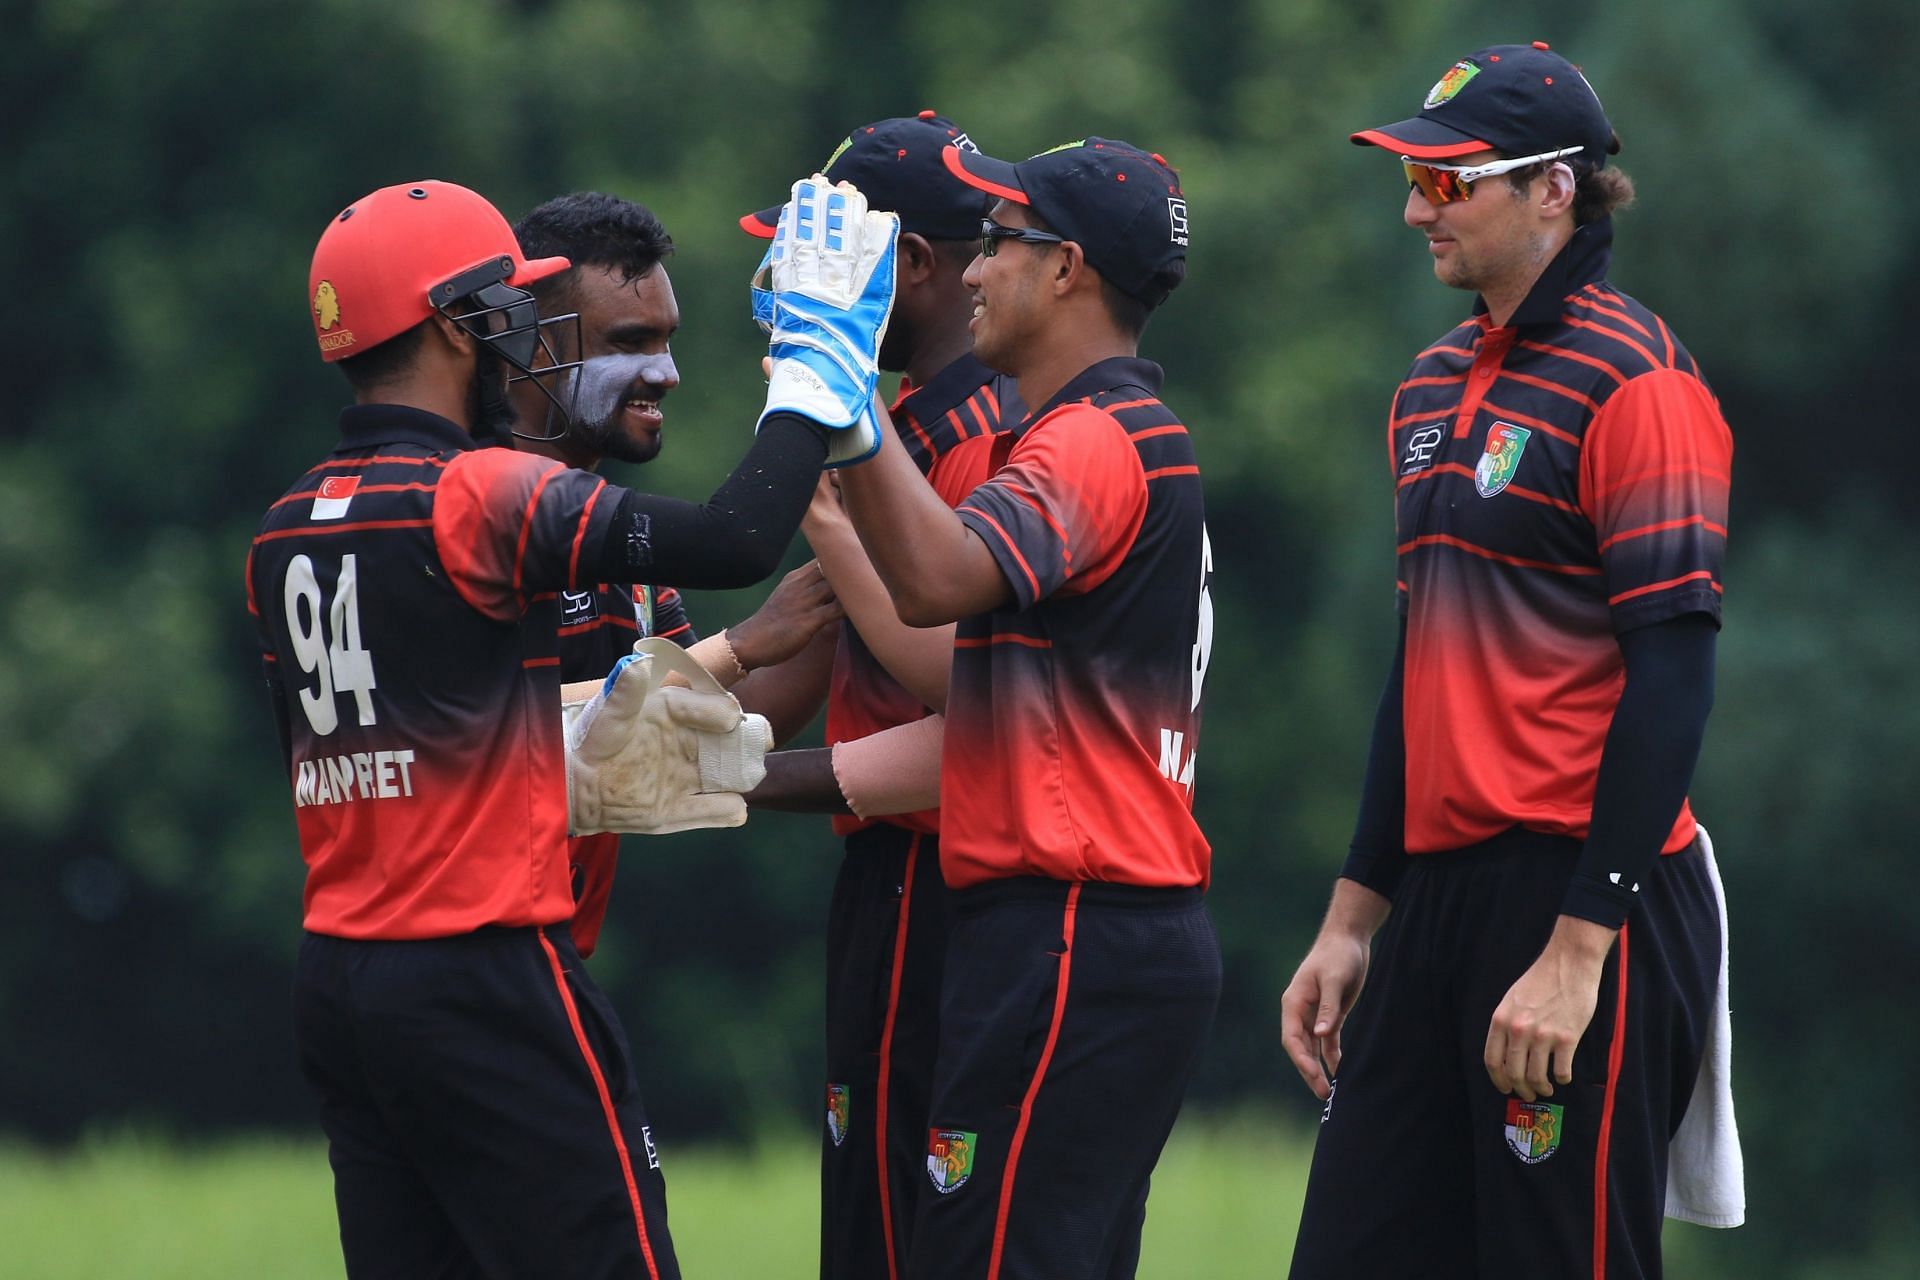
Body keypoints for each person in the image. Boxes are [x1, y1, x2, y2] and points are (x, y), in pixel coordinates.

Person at [247, 177, 881, 1278]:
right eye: (506, 306)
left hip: (342, 984)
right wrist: (817, 372)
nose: (521, 333)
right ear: (456, 324)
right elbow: (733, 538)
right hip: (485, 964)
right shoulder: (477, 493)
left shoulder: (288, 522)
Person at [1279, 42, 1733, 1279]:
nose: (1415, 206)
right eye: (1417, 180)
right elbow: (1418, 668)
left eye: (1447, 182)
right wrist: (1351, 917)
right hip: (1437, 897)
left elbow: (1675, 676)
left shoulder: (1638, 380)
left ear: (1555, 190)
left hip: (1583, 899)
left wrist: (1581, 948)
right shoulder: (1426, 383)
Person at [833, 137, 1221, 1279]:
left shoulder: (1096, 439)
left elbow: (935, 581)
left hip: (1074, 922)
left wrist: (836, 382)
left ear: (1069, 271)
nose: (975, 269)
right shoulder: (1086, 432)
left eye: (1002, 243)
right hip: (1092, 925)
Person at [736, 111, 1021, 1280]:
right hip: (881, 885)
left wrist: (820, 496)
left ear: (913, 266)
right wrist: (633, 727)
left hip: (957, 883)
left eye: (831, 258)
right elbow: (792, 676)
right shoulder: (890, 430)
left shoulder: (995, 432)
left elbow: (972, 687)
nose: (799, 286)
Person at [507, 190, 842, 959]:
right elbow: (523, 744)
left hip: (548, 952)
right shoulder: (481, 503)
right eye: (631, 341)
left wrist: (853, 592)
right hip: (472, 955)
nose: (667, 373)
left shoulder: (607, 523)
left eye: (667, 340)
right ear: (536, 342)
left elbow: (710, 729)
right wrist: (820, 373)